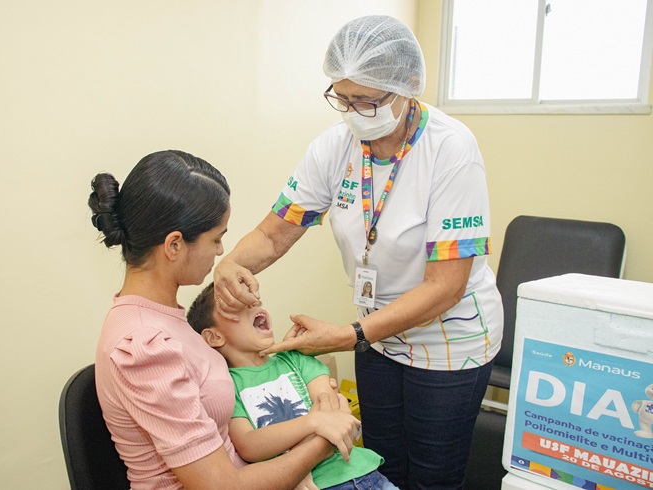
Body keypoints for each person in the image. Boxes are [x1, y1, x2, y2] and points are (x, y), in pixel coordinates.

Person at [213, 15, 504, 490]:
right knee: (380, 465)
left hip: (448, 342)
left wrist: (347, 336)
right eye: (343, 98)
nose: (354, 112)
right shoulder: (333, 147)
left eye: (368, 100)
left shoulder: (451, 150)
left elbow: (446, 286)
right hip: (376, 336)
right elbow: (273, 234)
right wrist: (231, 265)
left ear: (408, 86)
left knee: (433, 475)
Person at [89, 150, 359, 490]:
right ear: (174, 245)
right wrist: (324, 434)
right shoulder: (144, 346)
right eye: (216, 238)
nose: (221, 252)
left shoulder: (164, 319)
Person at [186, 282, 398, 490]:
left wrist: (299, 464)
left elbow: (332, 409)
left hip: (362, 472)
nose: (254, 302)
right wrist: (313, 423)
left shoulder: (296, 359)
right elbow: (249, 444)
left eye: (251, 297)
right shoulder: (225, 387)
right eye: (237, 304)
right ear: (214, 337)